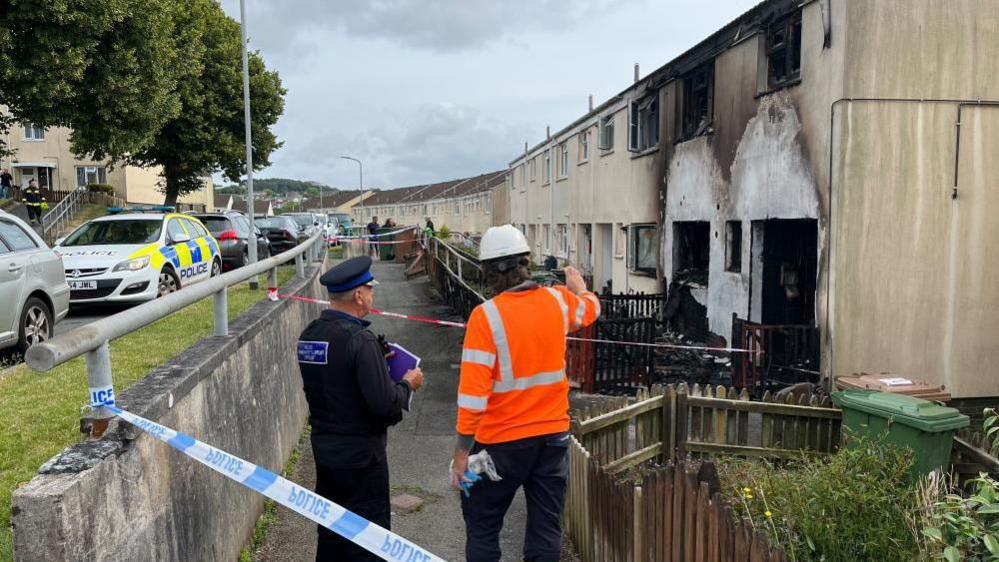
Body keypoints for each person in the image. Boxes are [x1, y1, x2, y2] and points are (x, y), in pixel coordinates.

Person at [450, 224, 601, 562]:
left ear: (486, 271)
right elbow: (590, 310)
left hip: (498, 445)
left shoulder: (485, 317)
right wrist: (582, 289)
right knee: (546, 527)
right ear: (526, 263)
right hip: (552, 439)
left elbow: (473, 398)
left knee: (482, 524)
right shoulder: (558, 301)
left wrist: (462, 455)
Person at [297, 256, 424, 561]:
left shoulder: (309, 336)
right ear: (358, 295)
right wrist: (408, 384)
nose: (372, 295)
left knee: (331, 534)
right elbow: (385, 405)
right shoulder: (360, 341)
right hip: (362, 460)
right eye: (370, 289)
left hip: (326, 454)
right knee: (369, 539)